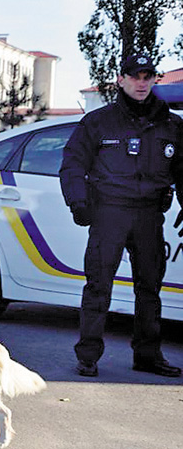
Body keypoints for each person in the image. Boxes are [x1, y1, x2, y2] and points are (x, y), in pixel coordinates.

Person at [60, 52, 183, 378]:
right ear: (121, 80)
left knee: (149, 288)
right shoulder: (100, 122)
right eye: (134, 76)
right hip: (108, 214)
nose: (141, 83)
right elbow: (72, 163)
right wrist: (78, 201)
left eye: (147, 76)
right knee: (98, 286)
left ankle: (148, 355)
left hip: (148, 215)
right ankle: (88, 356)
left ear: (154, 79)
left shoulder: (171, 124)